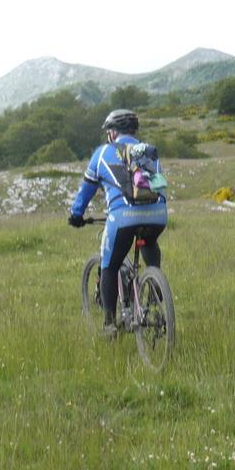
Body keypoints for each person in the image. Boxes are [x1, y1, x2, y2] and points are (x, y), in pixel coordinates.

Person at [68, 109, 167, 337]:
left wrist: (76, 214)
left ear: (113, 132)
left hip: (123, 217)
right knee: (148, 242)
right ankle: (155, 286)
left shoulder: (102, 153)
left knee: (110, 266)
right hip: (158, 214)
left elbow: (86, 190)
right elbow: (158, 185)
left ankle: (109, 324)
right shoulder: (149, 152)